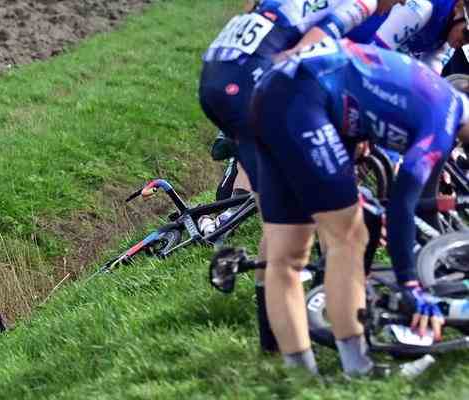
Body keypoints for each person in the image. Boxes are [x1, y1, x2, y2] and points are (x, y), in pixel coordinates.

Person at [250, 36, 469, 376]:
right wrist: (410, 283)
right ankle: (359, 369)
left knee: (286, 258)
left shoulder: (437, 95)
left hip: (271, 92)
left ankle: (301, 381)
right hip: (306, 95)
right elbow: (403, 203)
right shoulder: (444, 120)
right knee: (349, 238)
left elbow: (360, 85)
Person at [199, 0, 405, 353]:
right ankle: (342, 326)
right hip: (253, 80)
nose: (401, 5)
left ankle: (275, 345)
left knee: (279, 228)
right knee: (342, 224)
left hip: (217, 76)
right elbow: (309, 48)